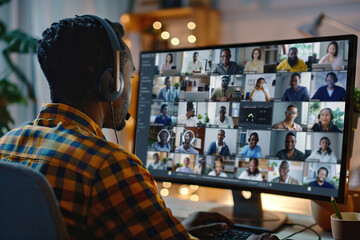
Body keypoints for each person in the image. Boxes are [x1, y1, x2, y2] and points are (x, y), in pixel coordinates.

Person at [0, 15, 253, 239]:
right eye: (130, 76)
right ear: (112, 84)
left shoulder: (6, 144)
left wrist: (174, 228)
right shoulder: (109, 166)